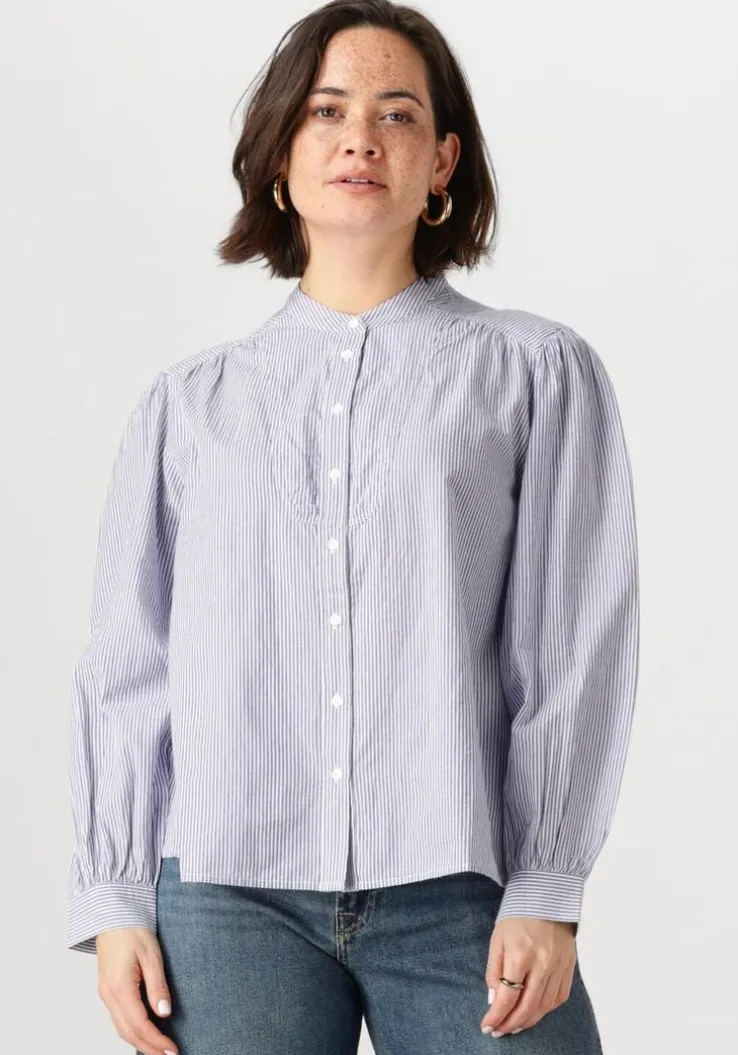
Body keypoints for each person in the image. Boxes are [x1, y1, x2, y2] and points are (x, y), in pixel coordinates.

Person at [65, 1, 639, 1053]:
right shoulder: (189, 405)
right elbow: (129, 665)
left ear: (442, 162)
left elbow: (571, 645)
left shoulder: (533, 372)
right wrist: (114, 897)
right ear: (282, 158)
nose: (360, 138)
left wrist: (549, 883)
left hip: (464, 887)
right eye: (326, 111)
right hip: (227, 898)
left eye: (397, 113)